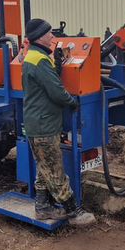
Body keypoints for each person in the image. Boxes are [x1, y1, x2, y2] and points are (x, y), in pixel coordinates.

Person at [22, 18, 96, 226]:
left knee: (44, 167)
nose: (53, 37)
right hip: (43, 125)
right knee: (54, 170)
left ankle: (43, 208)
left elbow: (47, 81)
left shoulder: (35, 56)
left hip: (38, 122)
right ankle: (74, 212)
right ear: (39, 37)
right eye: (49, 34)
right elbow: (56, 91)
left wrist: (56, 65)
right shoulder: (39, 60)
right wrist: (73, 102)